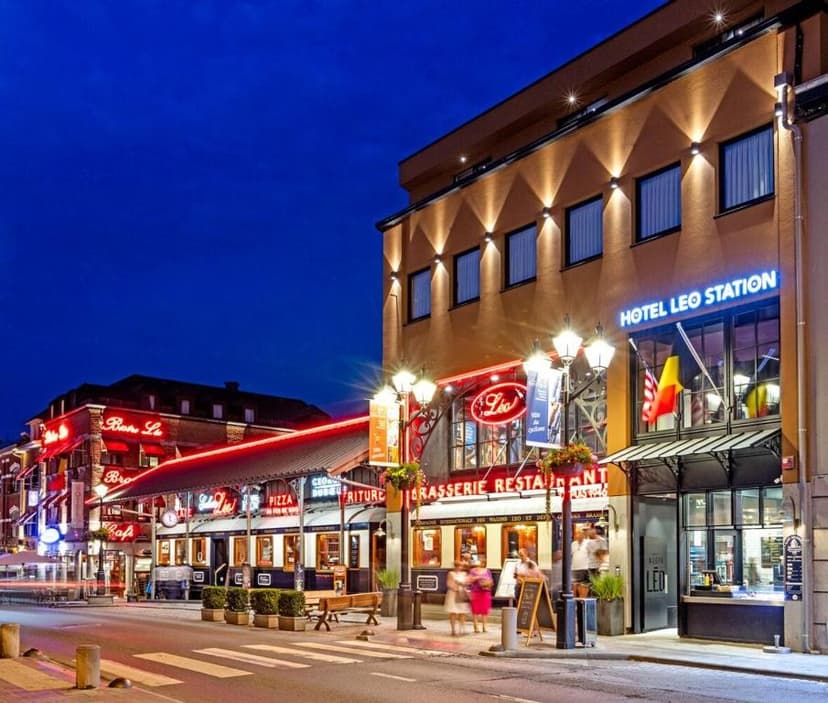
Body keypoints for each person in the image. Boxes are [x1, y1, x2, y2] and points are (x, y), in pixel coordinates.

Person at [445, 561, 471, 636]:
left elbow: (467, 582)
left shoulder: (464, 574)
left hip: (462, 594)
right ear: (455, 566)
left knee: (462, 612)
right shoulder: (451, 573)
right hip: (453, 594)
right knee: (453, 612)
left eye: (460, 566)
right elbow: (449, 584)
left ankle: (462, 629)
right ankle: (453, 630)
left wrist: (462, 584)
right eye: (457, 566)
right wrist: (456, 588)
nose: (459, 567)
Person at [468, 560, 494, 633]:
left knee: (484, 610)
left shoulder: (487, 571)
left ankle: (484, 626)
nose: (481, 563)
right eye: (480, 561)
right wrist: (478, 578)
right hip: (475, 592)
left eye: (483, 561)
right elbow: (469, 580)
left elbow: (491, 581)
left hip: (485, 592)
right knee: (475, 609)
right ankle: (476, 626)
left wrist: (487, 583)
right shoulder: (472, 571)